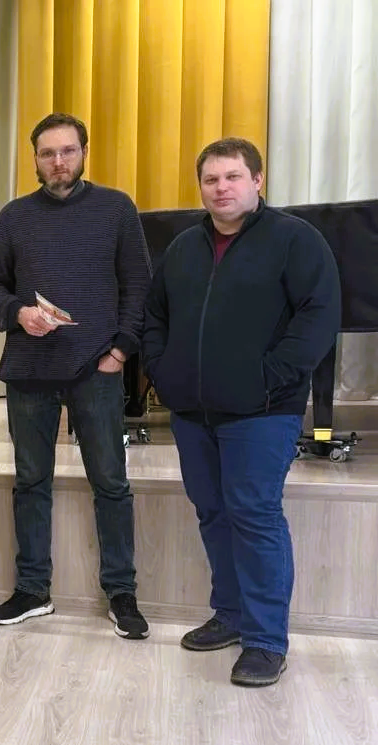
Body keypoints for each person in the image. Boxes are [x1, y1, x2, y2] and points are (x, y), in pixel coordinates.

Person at [142, 138, 341, 687]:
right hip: (192, 411)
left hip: (263, 411)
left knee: (254, 515)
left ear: (257, 180)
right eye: (211, 179)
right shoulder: (183, 247)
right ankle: (229, 614)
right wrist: (162, 370)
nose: (221, 188)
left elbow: (320, 315)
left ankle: (265, 640)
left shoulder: (295, 240)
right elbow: (155, 316)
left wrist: (269, 377)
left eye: (232, 177)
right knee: (212, 512)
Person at [0, 112, 152, 639]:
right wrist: (17, 313)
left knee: (111, 483)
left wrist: (120, 352)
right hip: (30, 371)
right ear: (34, 159)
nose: (58, 162)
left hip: (96, 368)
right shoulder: (14, 217)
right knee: (30, 482)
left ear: (84, 153)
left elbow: (139, 286)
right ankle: (33, 589)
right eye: (48, 153)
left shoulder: (116, 209)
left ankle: (121, 592)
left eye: (67, 151)